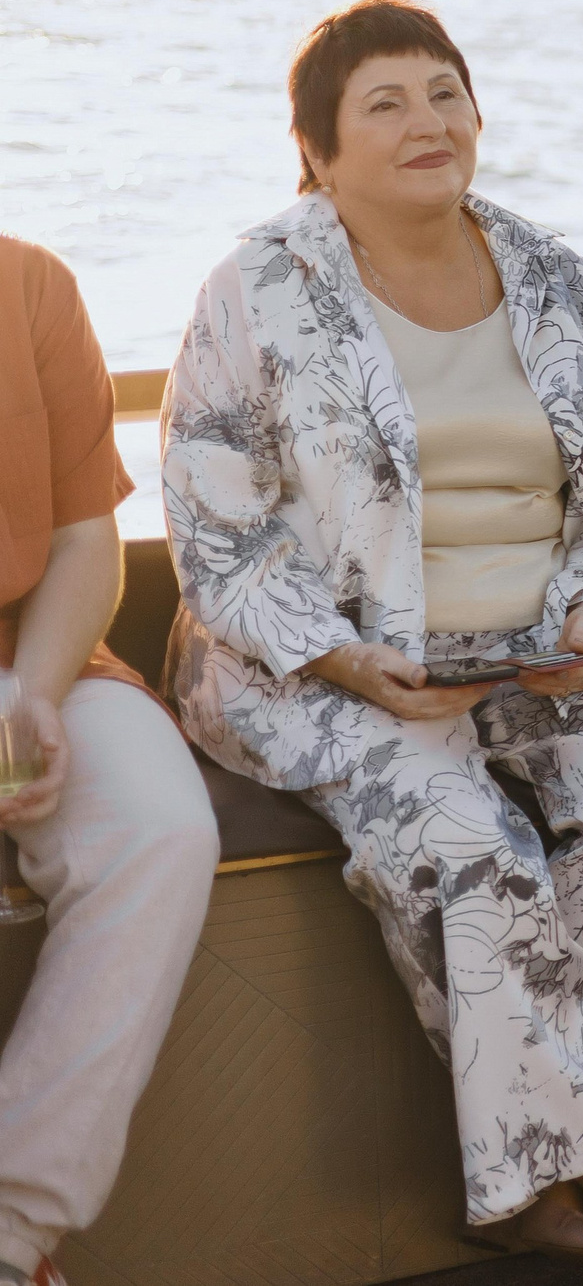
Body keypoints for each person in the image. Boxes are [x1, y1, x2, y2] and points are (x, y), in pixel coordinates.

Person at [161, 0, 583, 1283]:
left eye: (445, 93)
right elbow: (211, 526)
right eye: (386, 104)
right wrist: (339, 658)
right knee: (463, 835)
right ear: (316, 149)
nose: (429, 122)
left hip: (534, 643)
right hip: (312, 663)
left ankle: (559, 1162)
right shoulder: (258, 288)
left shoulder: (551, 275)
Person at [0, 237, 220, 1286]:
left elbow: (88, 541)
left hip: (34, 656)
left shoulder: (32, 285)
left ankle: (10, 1231)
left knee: (159, 830)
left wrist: (34, 697)